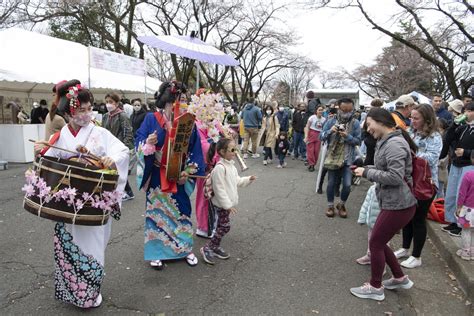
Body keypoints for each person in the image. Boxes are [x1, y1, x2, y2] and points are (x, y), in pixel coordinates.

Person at [33, 80, 129, 308]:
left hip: (93, 202)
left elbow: (122, 150)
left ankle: (89, 293)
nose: (86, 114)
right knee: (68, 244)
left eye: (89, 109)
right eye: (80, 110)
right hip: (67, 202)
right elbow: (50, 162)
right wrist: (42, 152)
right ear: (69, 112)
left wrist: (111, 159)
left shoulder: (100, 132)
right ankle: (72, 291)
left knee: (93, 245)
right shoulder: (62, 135)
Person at [135, 81, 206, 270]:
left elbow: (195, 150)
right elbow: (139, 141)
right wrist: (147, 144)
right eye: (178, 100)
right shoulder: (152, 119)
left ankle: (184, 248)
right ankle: (157, 252)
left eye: (184, 100)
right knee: (157, 212)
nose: (181, 104)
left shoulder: (188, 123)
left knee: (182, 210)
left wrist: (188, 172)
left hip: (179, 174)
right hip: (158, 173)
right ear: (167, 101)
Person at [350, 107, 417, 301]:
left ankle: (375, 287)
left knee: (376, 243)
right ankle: (399, 277)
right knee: (379, 241)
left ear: (381, 121)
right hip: (395, 203)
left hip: (399, 204)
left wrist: (366, 172)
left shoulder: (394, 143)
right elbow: (386, 169)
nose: (368, 130)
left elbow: (395, 177)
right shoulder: (387, 141)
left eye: (369, 125)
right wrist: (365, 168)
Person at [393, 104, 442, 269]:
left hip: (426, 184)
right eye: (411, 117)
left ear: (426, 119)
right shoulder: (413, 133)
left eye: (416, 118)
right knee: (407, 217)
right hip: (411, 181)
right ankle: (405, 248)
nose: (412, 121)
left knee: (418, 219)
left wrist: (411, 153)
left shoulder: (434, 136)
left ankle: (417, 255)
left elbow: (432, 158)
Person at [200, 138, 256, 264]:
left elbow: (237, 181)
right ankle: (208, 247)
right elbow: (218, 189)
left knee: (221, 226)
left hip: (226, 205)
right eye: (232, 149)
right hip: (221, 205)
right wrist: (227, 205)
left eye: (235, 149)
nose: (234, 152)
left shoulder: (231, 166)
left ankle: (214, 246)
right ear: (222, 151)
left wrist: (248, 179)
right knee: (225, 226)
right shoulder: (220, 168)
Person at [320, 98, 361, 218]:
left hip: (348, 159)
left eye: (350, 110)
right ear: (339, 108)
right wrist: (330, 131)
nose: (347, 112)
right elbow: (321, 136)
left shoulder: (355, 123)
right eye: (344, 110)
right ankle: (330, 205)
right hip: (332, 158)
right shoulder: (331, 121)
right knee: (331, 183)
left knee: (347, 185)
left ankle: (342, 204)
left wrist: (348, 136)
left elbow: (358, 141)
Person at [441, 102, 474, 237]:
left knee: (463, 196)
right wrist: (454, 124)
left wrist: (466, 152)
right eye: (464, 111)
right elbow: (448, 138)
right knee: (451, 194)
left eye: (469, 111)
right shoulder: (463, 127)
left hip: (469, 165)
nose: (466, 113)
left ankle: (462, 224)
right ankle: (453, 221)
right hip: (456, 163)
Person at [102, 92, 135, 201]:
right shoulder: (106, 116)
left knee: (119, 170)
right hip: (108, 148)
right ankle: (119, 191)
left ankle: (128, 192)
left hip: (119, 147)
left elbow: (127, 131)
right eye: (106, 102)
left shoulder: (122, 115)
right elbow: (103, 132)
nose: (108, 104)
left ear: (116, 103)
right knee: (114, 170)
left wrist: (124, 147)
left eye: (110, 102)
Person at [455, 151, 474, 260]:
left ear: (472, 159)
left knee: (466, 231)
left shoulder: (468, 175)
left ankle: (465, 252)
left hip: (468, 210)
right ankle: (472, 251)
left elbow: (462, 193)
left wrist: (459, 206)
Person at [305, 105, 326, 172]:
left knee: (316, 151)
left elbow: (325, 129)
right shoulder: (312, 118)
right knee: (310, 150)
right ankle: (311, 164)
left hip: (319, 135)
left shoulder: (324, 119)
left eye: (321, 110)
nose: (320, 111)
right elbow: (307, 127)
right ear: (316, 111)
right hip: (311, 133)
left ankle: (313, 163)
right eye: (319, 110)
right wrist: (306, 136)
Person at [363, 99, 383, 166]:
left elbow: (365, 127)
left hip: (368, 139)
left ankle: (366, 170)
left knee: (369, 157)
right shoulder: (382, 114)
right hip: (375, 139)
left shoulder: (369, 114)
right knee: (374, 158)